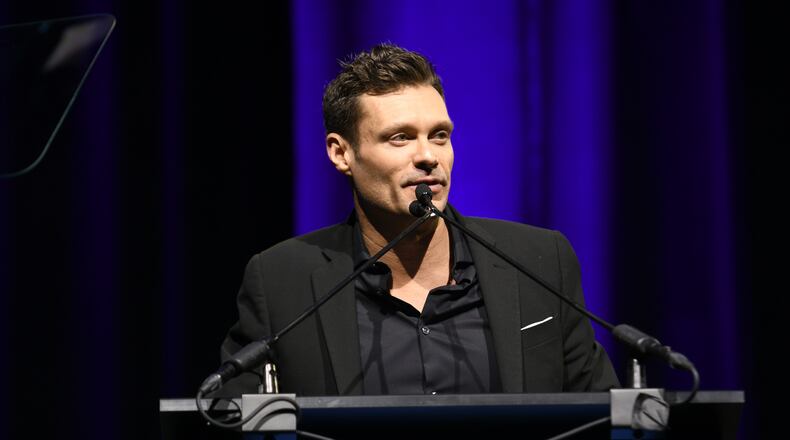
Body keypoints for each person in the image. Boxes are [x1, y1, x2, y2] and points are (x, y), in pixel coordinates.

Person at [218, 43, 619, 396]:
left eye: (440, 135)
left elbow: (602, 410)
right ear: (342, 154)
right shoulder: (281, 281)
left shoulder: (539, 260)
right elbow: (229, 418)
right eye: (401, 137)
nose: (429, 156)